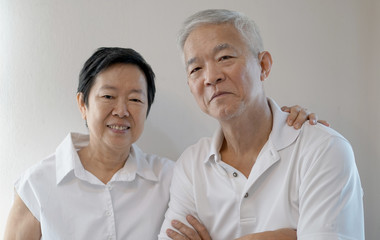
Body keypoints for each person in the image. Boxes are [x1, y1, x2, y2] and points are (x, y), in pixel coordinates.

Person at [3, 46, 319, 239]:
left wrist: (280, 119)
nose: (122, 111)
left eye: (136, 99)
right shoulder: (37, 185)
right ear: (83, 104)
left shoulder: (171, 177)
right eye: (108, 96)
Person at [159, 9, 364, 240]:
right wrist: (287, 236)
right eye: (196, 69)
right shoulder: (190, 165)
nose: (210, 77)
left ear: (263, 65)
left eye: (224, 57)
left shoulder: (323, 148)